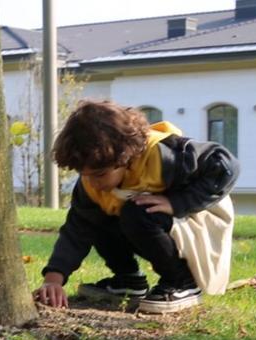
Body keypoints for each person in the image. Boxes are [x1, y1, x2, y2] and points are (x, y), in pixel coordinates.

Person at [35, 100, 239, 314]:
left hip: (196, 220)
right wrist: (53, 279)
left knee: (138, 213)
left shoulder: (166, 155)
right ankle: (129, 280)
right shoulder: (92, 182)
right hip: (154, 222)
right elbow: (77, 230)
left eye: (100, 174)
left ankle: (182, 283)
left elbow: (226, 166)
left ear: (125, 157)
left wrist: (176, 203)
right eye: (84, 175)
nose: (93, 183)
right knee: (94, 216)